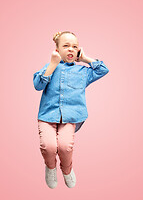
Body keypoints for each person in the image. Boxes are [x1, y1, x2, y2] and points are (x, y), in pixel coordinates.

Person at [33, 31, 109, 189]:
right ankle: (51, 167)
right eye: (66, 46)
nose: (70, 49)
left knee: (65, 146)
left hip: (71, 117)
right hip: (48, 115)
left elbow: (103, 69)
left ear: (78, 51)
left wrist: (86, 59)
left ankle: (66, 170)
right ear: (57, 50)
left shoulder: (83, 71)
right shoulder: (50, 67)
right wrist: (52, 64)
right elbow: (38, 85)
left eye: (74, 47)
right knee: (49, 146)